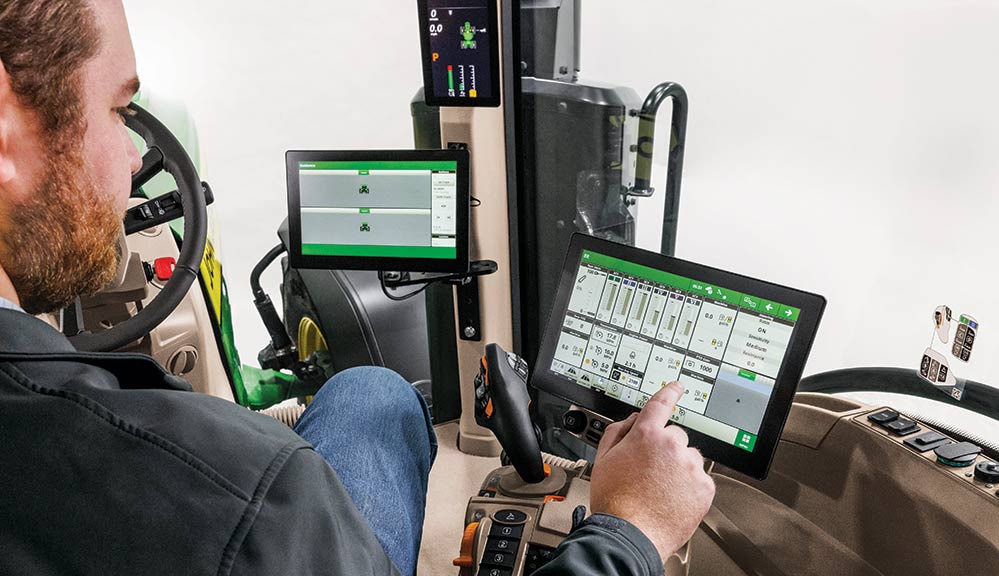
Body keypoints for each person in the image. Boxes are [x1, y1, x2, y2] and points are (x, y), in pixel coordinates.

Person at [0, 1, 715, 574]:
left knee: (367, 388)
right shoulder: (256, 499)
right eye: (120, 112)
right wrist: (632, 531)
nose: (131, 159)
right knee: (375, 392)